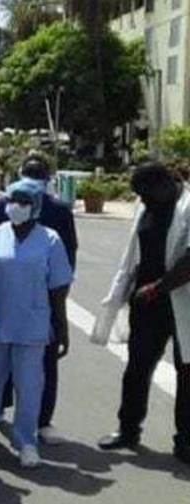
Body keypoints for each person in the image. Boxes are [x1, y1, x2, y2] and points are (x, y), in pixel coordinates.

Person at [0, 179, 73, 469]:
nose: (16, 206)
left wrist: (62, 328)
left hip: (32, 324)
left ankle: (26, 441)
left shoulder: (50, 240)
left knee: (29, 386)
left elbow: (58, 288)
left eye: (24, 202)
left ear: (36, 207)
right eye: (12, 200)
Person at [94, 162, 190, 464]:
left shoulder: (188, 206)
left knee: (187, 372)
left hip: (182, 301)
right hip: (148, 305)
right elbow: (134, 253)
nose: (143, 201)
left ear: (165, 184)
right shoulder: (146, 205)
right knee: (137, 367)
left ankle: (186, 441)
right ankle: (128, 430)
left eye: (146, 194)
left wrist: (157, 288)